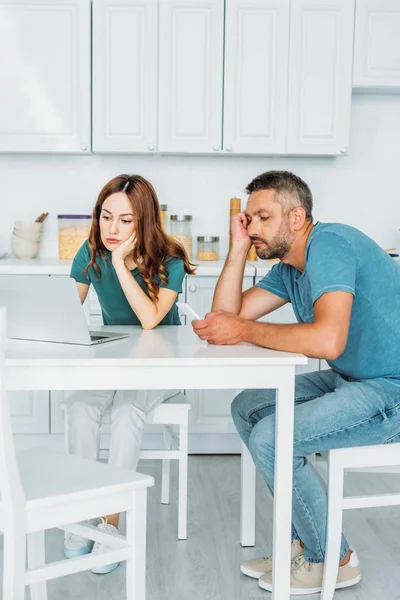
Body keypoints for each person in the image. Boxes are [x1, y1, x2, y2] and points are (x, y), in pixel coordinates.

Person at [192, 170, 400, 595]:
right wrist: (236, 250)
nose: (252, 228)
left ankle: (333, 558)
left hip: (392, 390)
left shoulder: (330, 245)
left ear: (297, 218)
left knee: (272, 436)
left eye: (262, 217)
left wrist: (244, 332)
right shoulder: (290, 267)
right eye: (248, 219)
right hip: (354, 379)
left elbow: (327, 339)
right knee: (248, 406)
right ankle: (300, 544)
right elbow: (227, 316)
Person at [64, 174, 195, 573]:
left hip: (162, 363)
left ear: (145, 222)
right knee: (81, 405)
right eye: (106, 217)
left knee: (125, 412)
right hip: (114, 359)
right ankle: (83, 511)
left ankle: (112, 522)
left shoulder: (170, 258)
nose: (112, 229)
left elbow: (151, 320)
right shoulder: (89, 252)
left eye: (125, 220)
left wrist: (121, 262)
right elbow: (68, 315)